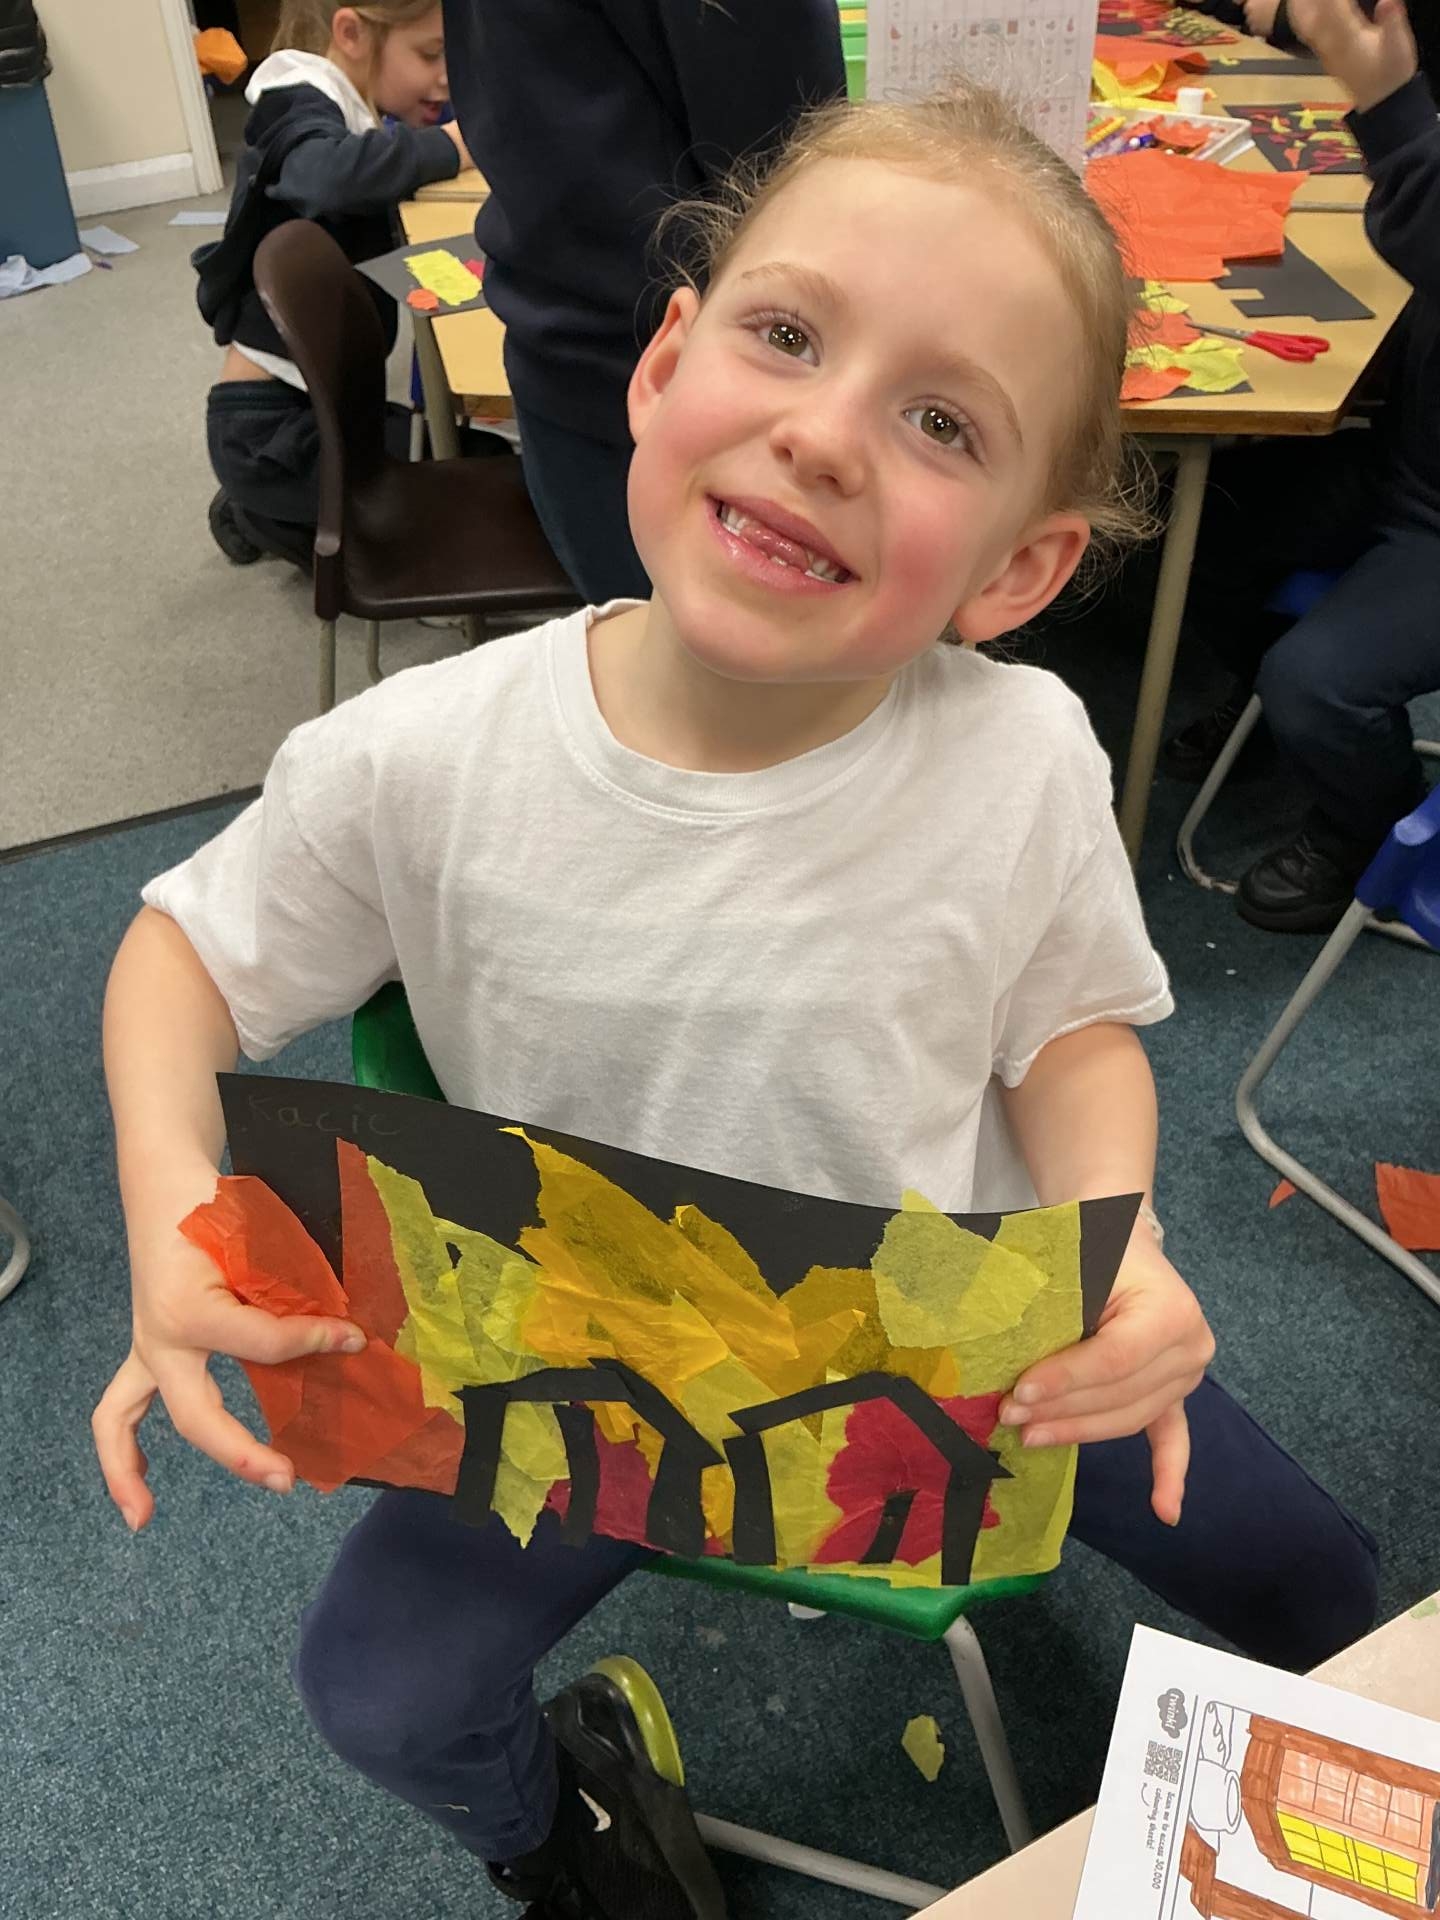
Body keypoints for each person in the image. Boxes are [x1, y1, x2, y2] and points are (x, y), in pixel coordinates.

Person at [92, 81, 1378, 1920]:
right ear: (663, 364)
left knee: (1327, 1592)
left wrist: (1119, 1241)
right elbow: (179, 960)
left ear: (1019, 569)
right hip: (586, 1375)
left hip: (964, 1344)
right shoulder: (418, 759)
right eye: (786, 336)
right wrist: (167, 1198)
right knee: (379, 1696)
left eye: (942, 421)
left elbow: (1071, 1028)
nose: (824, 435)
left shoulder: (1020, 753)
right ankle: (562, 1830)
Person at [1163, 0, 1440, 933]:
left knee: (1318, 681)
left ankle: (1371, 826)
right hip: (1408, 453)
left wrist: (1392, 106)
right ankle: (1286, 724)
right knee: (1202, 533)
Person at [440, 0, 845, 603]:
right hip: (667, 372)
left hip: (574, 349)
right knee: (715, 640)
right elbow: (789, 172)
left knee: (660, 633)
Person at [199, 0, 474, 570]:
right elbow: (324, 177)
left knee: (481, 458)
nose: (446, 76)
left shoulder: (357, 112)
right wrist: (451, 146)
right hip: (267, 429)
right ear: (351, 33)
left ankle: (271, 505)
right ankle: (257, 512)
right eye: (431, 54)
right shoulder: (297, 96)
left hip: (324, 408)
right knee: (437, 522)